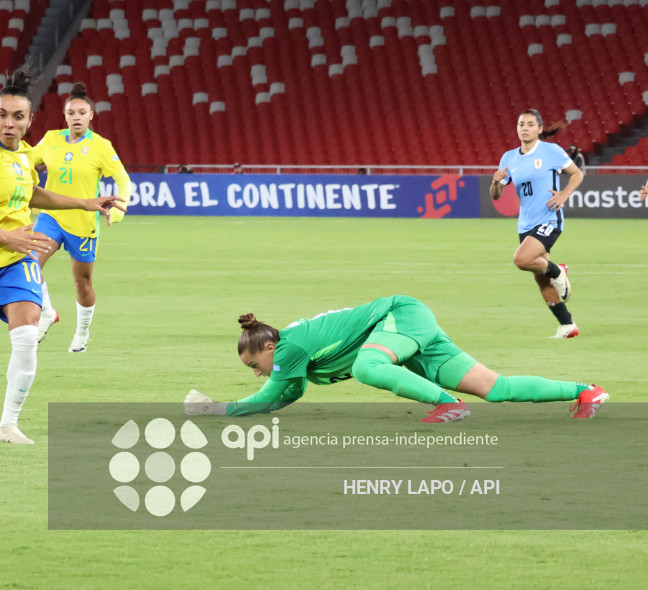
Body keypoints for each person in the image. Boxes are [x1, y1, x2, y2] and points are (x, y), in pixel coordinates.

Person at [0, 70, 125, 444]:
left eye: (18, 116)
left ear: (30, 121)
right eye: (3, 115)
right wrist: (6, 237)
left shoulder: (25, 156)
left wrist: (85, 202)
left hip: (14, 260)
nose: (9, 123)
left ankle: (8, 425)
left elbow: (35, 195)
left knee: (26, 336)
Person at [183, 297, 609, 421]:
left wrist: (217, 409)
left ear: (269, 347)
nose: (257, 371)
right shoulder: (291, 358)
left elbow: (271, 390)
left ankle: (447, 405)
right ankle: (585, 391)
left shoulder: (289, 348)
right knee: (496, 389)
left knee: (368, 366)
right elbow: (283, 395)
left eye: (253, 364)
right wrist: (237, 409)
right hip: (406, 332)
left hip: (402, 316)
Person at [30, 82, 131, 353]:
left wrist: (119, 210)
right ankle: (47, 313)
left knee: (82, 282)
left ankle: (82, 331)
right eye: (71, 112)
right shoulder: (50, 139)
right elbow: (26, 160)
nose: (76, 117)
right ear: (65, 116)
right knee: (29, 263)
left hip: (83, 223)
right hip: (51, 216)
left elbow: (122, 179)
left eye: (82, 112)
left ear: (90, 116)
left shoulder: (101, 146)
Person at [490, 109, 584, 338]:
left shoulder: (551, 151)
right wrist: (495, 183)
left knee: (521, 259)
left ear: (540, 129)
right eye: (521, 124)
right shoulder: (509, 158)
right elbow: (496, 195)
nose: (524, 127)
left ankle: (558, 271)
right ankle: (567, 325)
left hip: (549, 217)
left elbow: (576, 174)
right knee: (541, 279)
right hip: (525, 223)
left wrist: (563, 195)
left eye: (530, 124)